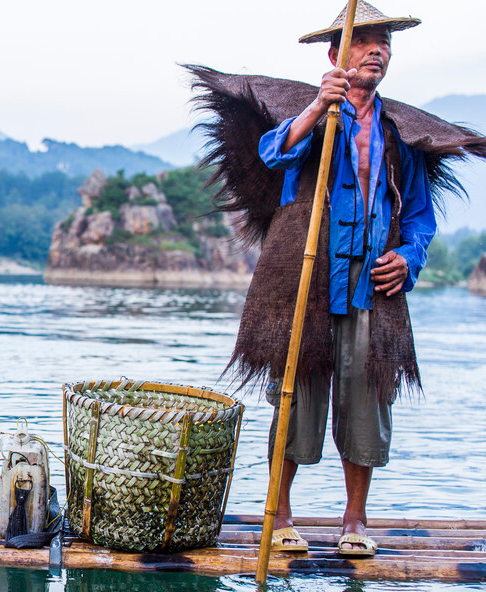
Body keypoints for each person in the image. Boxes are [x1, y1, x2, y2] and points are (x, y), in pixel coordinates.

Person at [186, 2, 486, 557]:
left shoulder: (398, 133)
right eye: (365, 41)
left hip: (371, 282)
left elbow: (419, 215)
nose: (378, 51)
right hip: (306, 279)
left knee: (366, 396)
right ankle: (280, 514)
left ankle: (355, 521)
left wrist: (409, 258)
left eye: (385, 43)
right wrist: (315, 109)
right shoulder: (315, 116)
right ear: (336, 53)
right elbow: (273, 154)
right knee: (295, 396)